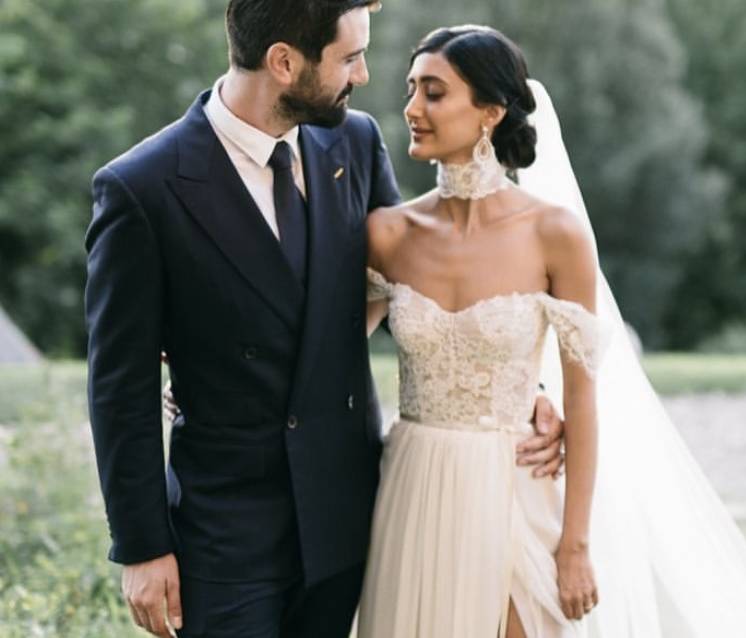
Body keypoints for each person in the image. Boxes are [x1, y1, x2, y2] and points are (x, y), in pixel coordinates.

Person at [84, 4, 563, 637]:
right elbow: (120, 386)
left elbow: (419, 294)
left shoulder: (355, 142)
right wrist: (143, 546)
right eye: (349, 58)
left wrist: (522, 392)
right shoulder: (141, 188)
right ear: (284, 62)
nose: (364, 75)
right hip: (226, 533)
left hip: (346, 514)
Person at [356, 26, 746, 638]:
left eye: (433, 93)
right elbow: (322, 354)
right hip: (414, 487)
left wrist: (574, 544)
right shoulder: (388, 234)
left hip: (516, 490)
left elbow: (584, 398)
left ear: (490, 112)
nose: (411, 109)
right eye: (411, 89)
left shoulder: (555, 234)